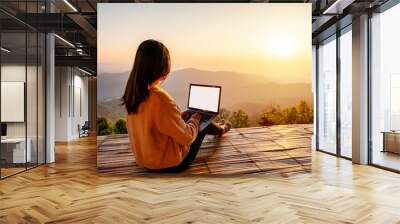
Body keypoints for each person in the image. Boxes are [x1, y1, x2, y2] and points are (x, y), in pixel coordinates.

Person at [122, 39, 231, 172]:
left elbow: (154, 123)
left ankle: (220, 128)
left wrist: (179, 117)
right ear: (163, 67)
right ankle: (221, 129)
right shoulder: (161, 99)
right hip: (169, 164)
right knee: (201, 121)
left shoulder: (133, 94)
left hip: (144, 160)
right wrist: (195, 118)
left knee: (191, 118)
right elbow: (187, 137)